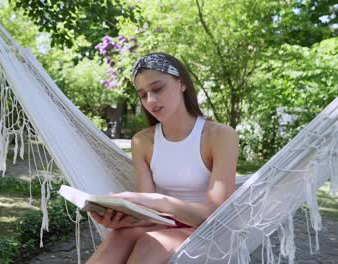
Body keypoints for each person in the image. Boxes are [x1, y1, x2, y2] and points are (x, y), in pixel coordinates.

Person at [87, 52, 239, 264]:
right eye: (142, 94)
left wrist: (158, 200)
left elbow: (215, 213)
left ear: (181, 84)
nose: (151, 100)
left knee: (150, 245)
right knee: (116, 241)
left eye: (158, 89)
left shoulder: (220, 136)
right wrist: (122, 220)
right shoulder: (142, 141)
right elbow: (146, 213)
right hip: (162, 223)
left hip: (208, 230)